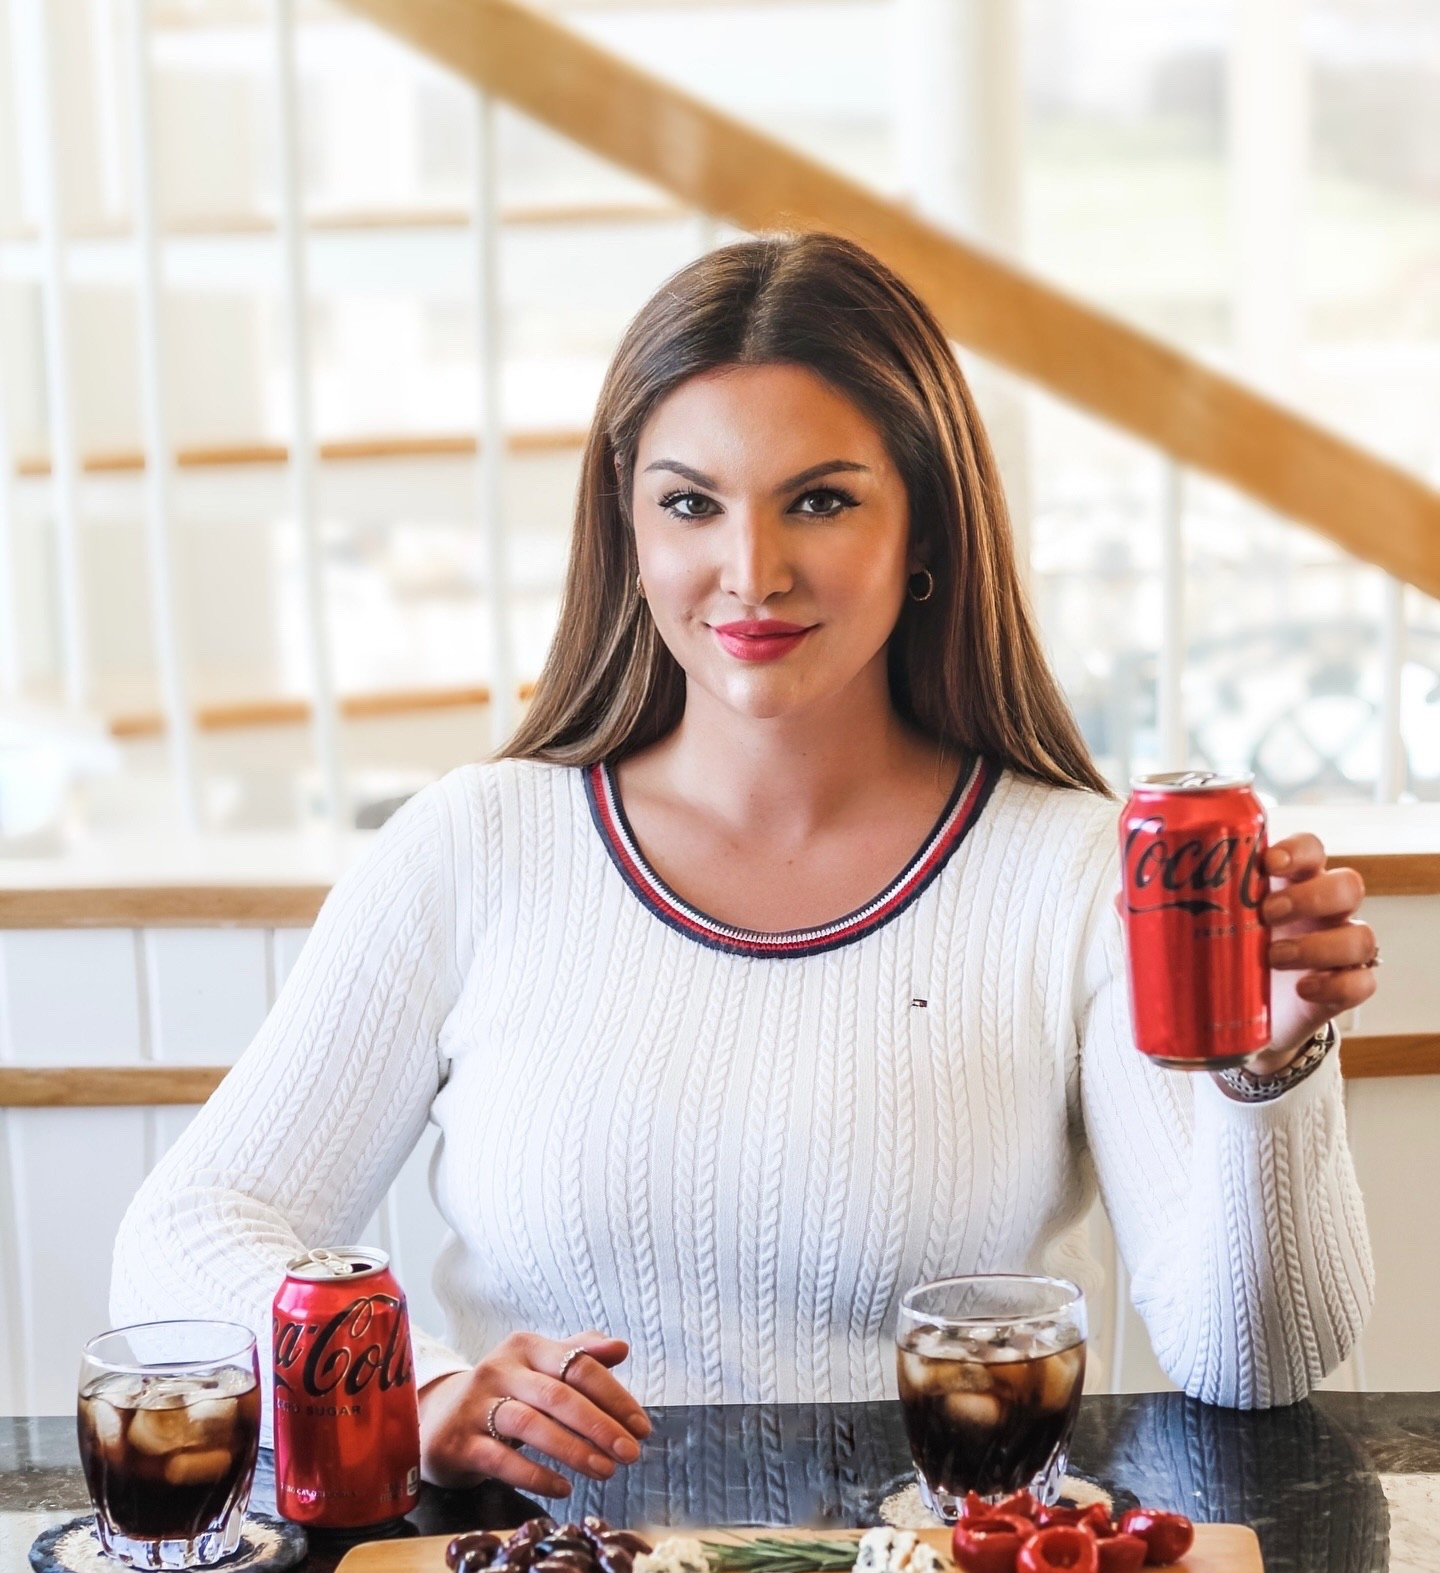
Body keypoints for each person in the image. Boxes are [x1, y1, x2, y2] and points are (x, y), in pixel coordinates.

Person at [112, 232, 1377, 1503]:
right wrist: (423, 1393)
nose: (752, 571)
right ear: (631, 526)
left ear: (923, 523)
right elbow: (180, 1240)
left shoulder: (1075, 874)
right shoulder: (471, 847)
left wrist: (1269, 1071)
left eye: (820, 500)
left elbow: (1252, 1365)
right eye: (691, 503)